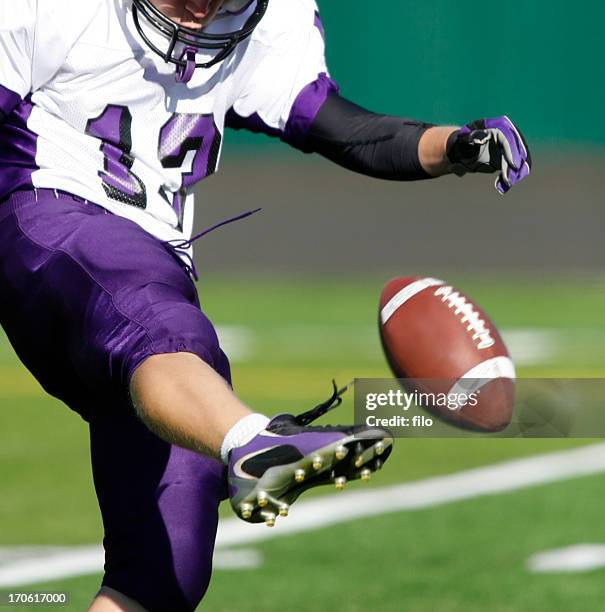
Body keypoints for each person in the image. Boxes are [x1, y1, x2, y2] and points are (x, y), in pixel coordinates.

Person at [0, 0, 531, 610]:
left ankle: (236, 440)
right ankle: (255, 442)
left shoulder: (269, 22)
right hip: (46, 221)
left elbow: (345, 129)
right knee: (162, 327)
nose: (199, 16)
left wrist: (457, 146)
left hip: (154, 272)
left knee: (163, 570)